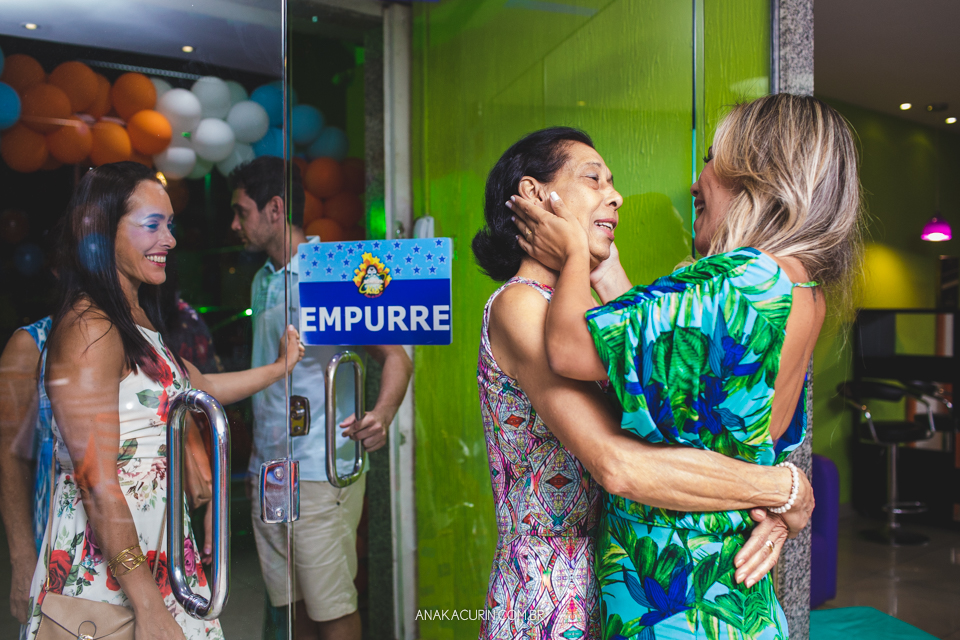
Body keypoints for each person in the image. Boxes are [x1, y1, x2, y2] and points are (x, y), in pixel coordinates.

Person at [510, 96, 861, 638]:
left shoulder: (743, 279)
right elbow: (669, 379)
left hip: (678, 602)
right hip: (737, 598)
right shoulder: (801, 289)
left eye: (712, 156)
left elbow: (572, 349)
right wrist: (786, 490)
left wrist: (577, 255)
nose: (696, 180)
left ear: (759, 173)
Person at [22, 161, 305, 640]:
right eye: (152, 225)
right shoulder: (91, 326)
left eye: (169, 225)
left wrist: (280, 368)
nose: (170, 240)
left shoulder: (132, 316)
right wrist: (147, 604)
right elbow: (95, 481)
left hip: (159, 548)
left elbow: (198, 385)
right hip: (114, 571)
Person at [229, 157, 412, 640]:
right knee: (293, 610)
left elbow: (397, 358)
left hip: (318, 468)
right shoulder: (263, 278)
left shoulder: (331, 274)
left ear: (274, 208)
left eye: (240, 211)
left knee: (333, 609)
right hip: (270, 469)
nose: (234, 224)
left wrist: (384, 413)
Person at [0, 316, 53, 626]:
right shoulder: (31, 344)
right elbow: (10, 457)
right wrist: (21, 559)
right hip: (59, 540)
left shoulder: (138, 332)